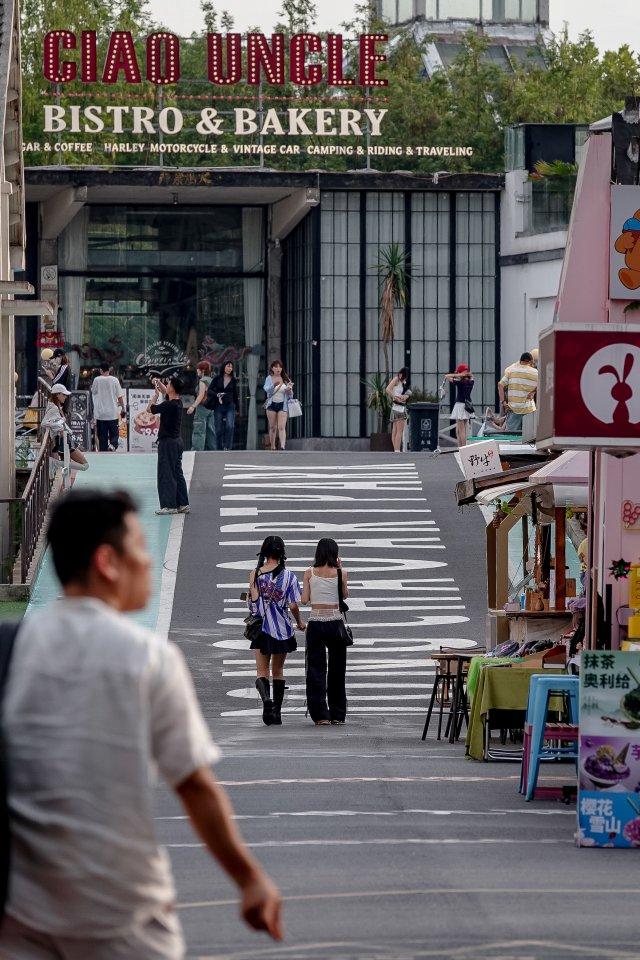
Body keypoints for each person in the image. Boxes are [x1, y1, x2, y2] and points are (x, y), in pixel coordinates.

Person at [0, 489, 282, 958]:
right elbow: (195, 786)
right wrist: (250, 879)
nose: (149, 563)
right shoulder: (149, 659)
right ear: (108, 561)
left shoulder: (12, 648)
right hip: (122, 915)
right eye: (140, 547)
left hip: (22, 918)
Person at [247, 535, 305, 725]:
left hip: (262, 629)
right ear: (282, 553)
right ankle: (277, 713)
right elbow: (294, 605)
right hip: (282, 629)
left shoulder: (255, 574)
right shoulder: (289, 576)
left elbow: (253, 604)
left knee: (261, 672)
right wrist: (299, 622)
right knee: (278, 670)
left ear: (264, 552)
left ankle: (266, 702)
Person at [300, 538, 349, 726]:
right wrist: (341, 570)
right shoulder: (342, 572)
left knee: (315, 669)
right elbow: (344, 595)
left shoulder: (309, 572)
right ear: (335, 554)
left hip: (316, 623)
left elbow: (304, 599)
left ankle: (320, 715)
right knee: (337, 669)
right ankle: (338, 713)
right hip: (335, 622)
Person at [147, 375, 189, 516]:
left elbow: (150, 409)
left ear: (172, 388)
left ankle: (169, 505)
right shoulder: (177, 403)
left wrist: (155, 396)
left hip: (167, 443)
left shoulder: (168, 405)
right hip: (177, 441)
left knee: (166, 474)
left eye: (169, 384)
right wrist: (158, 383)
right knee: (177, 473)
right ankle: (183, 504)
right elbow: (167, 392)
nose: (167, 385)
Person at [41, 383, 89, 472]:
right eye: (63, 395)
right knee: (85, 465)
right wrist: (59, 426)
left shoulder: (55, 406)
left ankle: (56, 466)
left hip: (64, 438)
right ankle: (55, 463)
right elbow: (44, 423)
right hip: (63, 439)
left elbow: (54, 421)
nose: (65, 397)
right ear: (57, 394)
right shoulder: (54, 408)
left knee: (66, 468)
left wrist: (61, 425)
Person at [497, 352, 539, 434]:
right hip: (529, 410)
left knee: (511, 437)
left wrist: (503, 402)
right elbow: (543, 385)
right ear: (530, 361)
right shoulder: (535, 373)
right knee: (529, 437)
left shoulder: (511, 370)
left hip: (513, 409)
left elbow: (500, 385)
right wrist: (533, 392)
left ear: (520, 361)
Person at [91, 362, 126, 452]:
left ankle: (104, 456)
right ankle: (112, 445)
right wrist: (123, 408)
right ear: (109, 370)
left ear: (100, 370)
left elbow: (93, 392)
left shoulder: (97, 380)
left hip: (100, 414)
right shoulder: (115, 380)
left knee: (102, 438)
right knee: (115, 435)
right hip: (112, 413)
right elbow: (119, 396)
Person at [263, 360, 293, 451]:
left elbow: (291, 395)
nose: (278, 369)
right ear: (272, 368)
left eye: (280, 367)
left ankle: (283, 446)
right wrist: (273, 385)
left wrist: (289, 390)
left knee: (281, 426)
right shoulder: (269, 378)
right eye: (276, 367)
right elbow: (266, 390)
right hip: (271, 405)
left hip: (282, 406)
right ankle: (273, 446)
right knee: (272, 427)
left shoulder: (285, 378)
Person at [210, 360, 240, 451]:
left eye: (231, 367)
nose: (230, 368)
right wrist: (217, 395)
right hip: (218, 405)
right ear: (224, 367)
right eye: (228, 366)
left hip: (230, 405)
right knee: (218, 428)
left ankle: (227, 446)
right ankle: (219, 447)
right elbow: (210, 390)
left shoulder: (233, 380)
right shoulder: (217, 378)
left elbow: (235, 393)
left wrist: (237, 407)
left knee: (230, 426)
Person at [187, 360, 216, 451]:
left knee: (199, 429)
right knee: (210, 430)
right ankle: (212, 450)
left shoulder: (203, 381)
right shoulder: (212, 380)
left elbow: (201, 395)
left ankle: (197, 450)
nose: (197, 371)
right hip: (211, 408)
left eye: (198, 369)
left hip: (202, 408)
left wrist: (193, 406)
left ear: (202, 370)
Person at [444, 363, 475, 447]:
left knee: (461, 430)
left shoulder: (460, 382)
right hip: (467, 406)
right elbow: (471, 376)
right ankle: (461, 447)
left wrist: (457, 374)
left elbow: (447, 376)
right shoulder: (471, 381)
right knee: (460, 429)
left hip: (460, 405)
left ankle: (462, 448)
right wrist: (462, 374)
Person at [385, 367, 412, 453]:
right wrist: (395, 397)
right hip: (398, 406)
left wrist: (405, 396)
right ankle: (397, 450)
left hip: (398, 406)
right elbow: (388, 389)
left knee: (396, 430)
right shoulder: (396, 379)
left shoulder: (403, 382)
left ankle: (395, 449)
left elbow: (409, 392)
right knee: (398, 431)